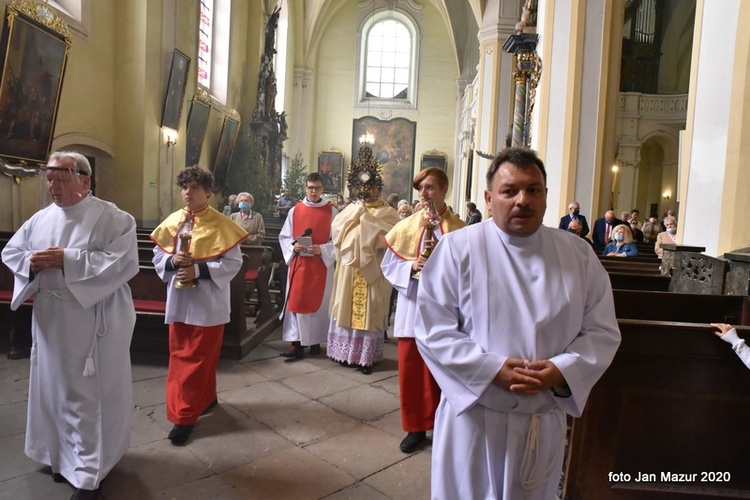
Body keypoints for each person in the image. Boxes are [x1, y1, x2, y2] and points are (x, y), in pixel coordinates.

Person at [414, 147, 621, 499]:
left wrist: (561, 370)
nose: (522, 200)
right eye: (510, 191)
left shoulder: (578, 254)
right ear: (489, 198)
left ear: (545, 196)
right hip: (474, 420)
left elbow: (602, 330)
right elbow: (433, 330)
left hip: (540, 419)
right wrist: (491, 368)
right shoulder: (457, 249)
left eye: (533, 190)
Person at [1, 151, 139, 499]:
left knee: (85, 396)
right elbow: (12, 253)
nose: (52, 186)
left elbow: (123, 262)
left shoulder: (113, 218)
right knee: (52, 390)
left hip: (94, 321)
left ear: (84, 180)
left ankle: (90, 470)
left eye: (60, 178)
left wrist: (68, 260)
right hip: (51, 318)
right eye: (48, 178)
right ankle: (59, 456)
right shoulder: (41, 219)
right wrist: (32, 264)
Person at [150, 165, 247, 445]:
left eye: (194, 187)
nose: (187, 193)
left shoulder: (222, 224)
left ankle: (184, 417)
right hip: (179, 301)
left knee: (198, 359)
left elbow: (233, 262)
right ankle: (204, 400)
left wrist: (199, 271)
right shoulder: (173, 221)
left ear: (208, 191)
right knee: (182, 356)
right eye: (184, 187)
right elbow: (158, 255)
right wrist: (172, 261)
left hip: (207, 303)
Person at [382, 167, 467, 453]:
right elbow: (388, 266)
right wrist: (411, 266)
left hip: (447, 312)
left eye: (430, 187)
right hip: (413, 308)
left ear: (444, 189)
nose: (424, 194)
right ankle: (415, 427)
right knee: (412, 371)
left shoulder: (460, 229)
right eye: (421, 188)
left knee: (446, 371)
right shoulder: (407, 226)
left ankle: (446, 427)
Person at [327, 176, 399, 374]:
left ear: (378, 189)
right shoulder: (350, 209)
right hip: (350, 269)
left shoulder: (389, 213)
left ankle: (366, 357)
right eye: (361, 186)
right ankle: (346, 353)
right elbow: (337, 232)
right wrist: (355, 216)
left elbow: (392, 238)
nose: (366, 190)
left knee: (371, 308)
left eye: (370, 186)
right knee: (346, 306)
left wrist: (367, 221)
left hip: (373, 268)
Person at [279, 173, 337, 361]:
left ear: (322, 189)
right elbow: (285, 237)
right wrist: (292, 247)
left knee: (319, 305)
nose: (314, 191)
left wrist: (322, 249)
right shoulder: (295, 210)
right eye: (311, 187)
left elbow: (338, 242)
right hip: (299, 264)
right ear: (305, 188)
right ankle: (296, 345)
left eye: (317, 188)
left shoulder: (332, 211)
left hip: (320, 264)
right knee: (297, 303)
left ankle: (314, 342)